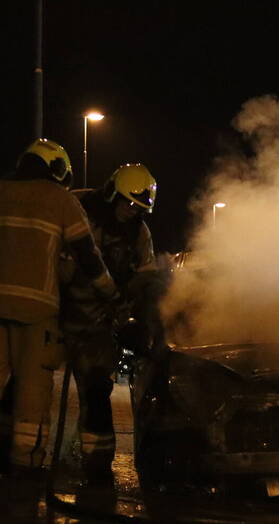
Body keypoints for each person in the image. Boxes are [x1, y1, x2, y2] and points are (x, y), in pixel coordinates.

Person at [0, 139, 119, 477]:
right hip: (36, 311)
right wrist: (110, 291)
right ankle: (25, 460)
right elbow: (88, 255)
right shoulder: (62, 200)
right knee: (33, 385)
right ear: (58, 170)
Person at [60, 163, 166, 481]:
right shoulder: (81, 213)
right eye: (127, 203)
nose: (130, 212)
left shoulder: (139, 233)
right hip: (59, 313)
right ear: (111, 194)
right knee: (27, 385)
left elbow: (145, 278)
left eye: (138, 208)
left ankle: (97, 464)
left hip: (99, 323)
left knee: (97, 389)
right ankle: (15, 456)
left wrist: (140, 316)